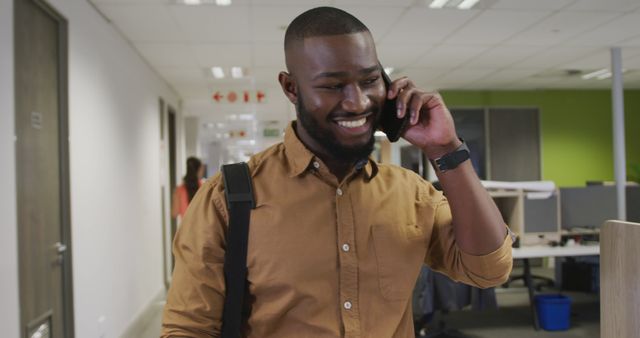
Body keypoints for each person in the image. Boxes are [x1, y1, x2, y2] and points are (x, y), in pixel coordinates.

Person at [161, 7, 513, 338]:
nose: (357, 102)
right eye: (332, 86)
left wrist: (446, 150)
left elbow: (489, 269)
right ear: (291, 87)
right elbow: (189, 328)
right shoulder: (229, 197)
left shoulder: (412, 194)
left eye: (369, 80)